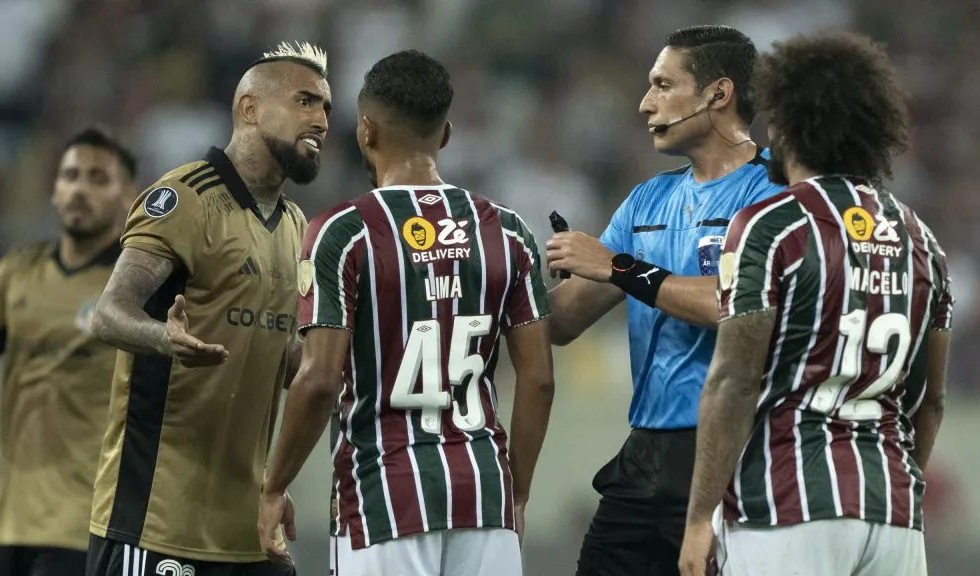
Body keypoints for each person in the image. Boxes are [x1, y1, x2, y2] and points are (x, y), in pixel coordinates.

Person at [257, 49, 556, 576]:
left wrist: (274, 486)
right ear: (445, 135)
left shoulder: (343, 233)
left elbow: (320, 379)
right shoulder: (507, 231)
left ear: (366, 130)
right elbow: (538, 379)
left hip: (382, 496)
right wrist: (518, 493)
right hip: (485, 496)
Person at [678, 31, 953, 576]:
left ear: (789, 125)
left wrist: (699, 517)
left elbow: (734, 382)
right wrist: (897, 493)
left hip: (786, 505)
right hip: (894, 515)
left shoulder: (771, 226)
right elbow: (933, 401)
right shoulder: (923, 241)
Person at [543, 25, 784, 576]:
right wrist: (487, 280)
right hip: (644, 456)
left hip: (734, 454)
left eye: (663, 84)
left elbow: (734, 303)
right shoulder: (646, 200)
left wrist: (617, 266)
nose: (645, 103)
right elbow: (563, 319)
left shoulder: (772, 192)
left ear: (718, 94)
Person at [85, 41, 330, 576]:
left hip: (247, 528)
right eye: (305, 101)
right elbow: (108, 313)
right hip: (156, 522)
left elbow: (278, 347)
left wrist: (336, 371)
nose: (321, 120)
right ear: (249, 108)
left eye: (326, 109)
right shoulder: (184, 198)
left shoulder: (295, 225)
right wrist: (162, 338)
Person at [0, 127, 138, 576]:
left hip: (85, 526)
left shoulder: (135, 286)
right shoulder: (18, 271)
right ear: (54, 190)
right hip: (9, 523)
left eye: (98, 178)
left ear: (127, 196)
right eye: (70, 176)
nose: (79, 189)